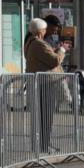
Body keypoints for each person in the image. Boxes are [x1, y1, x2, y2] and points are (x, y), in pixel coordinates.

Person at [25, 17, 66, 153]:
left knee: (44, 116)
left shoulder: (32, 42)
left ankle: (44, 144)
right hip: (45, 83)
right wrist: (62, 50)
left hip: (42, 83)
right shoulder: (38, 43)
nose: (45, 31)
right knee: (46, 116)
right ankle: (44, 145)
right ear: (40, 31)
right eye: (43, 29)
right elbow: (55, 60)